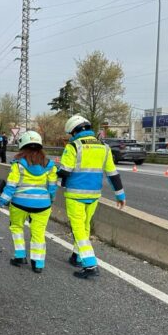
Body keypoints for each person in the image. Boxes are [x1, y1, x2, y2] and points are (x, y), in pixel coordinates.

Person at [57, 115, 126, 279]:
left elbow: (64, 171)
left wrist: (53, 169)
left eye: (71, 133)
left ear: (74, 131)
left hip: (75, 195)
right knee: (86, 225)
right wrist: (120, 194)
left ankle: (90, 265)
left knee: (78, 229)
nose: (71, 136)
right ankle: (77, 257)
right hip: (94, 195)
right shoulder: (104, 147)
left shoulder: (73, 146)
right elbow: (112, 174)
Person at [0, 131, 58, 273]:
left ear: (22, 146)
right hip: (43, 205)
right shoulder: (50, 165)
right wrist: (51, 200)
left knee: (16, 227)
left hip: (20, 203)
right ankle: (38, 264)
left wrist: (3, 200)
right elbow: (52, 186)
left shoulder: (18, 165)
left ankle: (20, 256)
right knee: (38, 233)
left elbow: (11, 185)